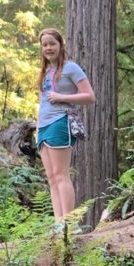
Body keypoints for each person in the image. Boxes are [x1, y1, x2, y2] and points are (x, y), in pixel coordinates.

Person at [36, 28, 95, 233]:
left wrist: (62, 97)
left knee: (61, 174)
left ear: (60, 45)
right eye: (45, 45)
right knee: (51, 177)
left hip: (61, 121)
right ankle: (58, 223)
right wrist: (37, 127)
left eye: (52, 43)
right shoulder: (45, 72)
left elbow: (89, 96)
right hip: (43, 126)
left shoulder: (71, 68)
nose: (48, 48)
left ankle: (71, 224)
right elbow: (42, 101)